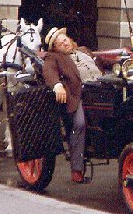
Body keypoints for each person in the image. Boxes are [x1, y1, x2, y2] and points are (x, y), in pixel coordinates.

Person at [43, 27, 102, 183]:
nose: (64, 41)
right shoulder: (53, 57)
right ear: (55, 47)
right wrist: (57, 85)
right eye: (59, 41)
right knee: (79, 124)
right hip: (78, 96)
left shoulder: (83, 53)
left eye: (65, 38)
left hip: (101, 89)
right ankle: (77, 168)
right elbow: (49, 72)